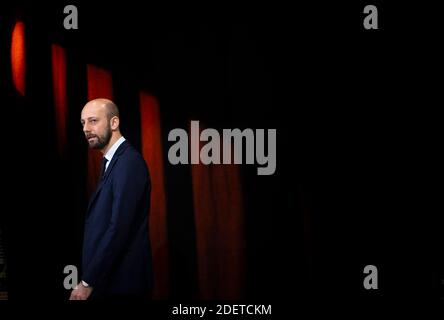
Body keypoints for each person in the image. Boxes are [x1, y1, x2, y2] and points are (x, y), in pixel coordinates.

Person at [70, 98, 153, 300]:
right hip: (111, 281)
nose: (86, 129)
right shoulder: (113, 162)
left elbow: (118, 228)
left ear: (114, 123)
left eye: (93, 121)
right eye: (83, 123)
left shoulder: (129, 162)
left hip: (123, 284)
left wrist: (88, 281)